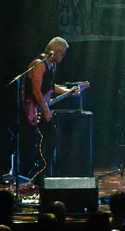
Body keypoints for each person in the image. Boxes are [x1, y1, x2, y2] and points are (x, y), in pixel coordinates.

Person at [21, 37, 78, 181]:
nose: (63, 57)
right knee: (44, 138)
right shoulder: (39, 64)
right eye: (62, 53)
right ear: (53, 51)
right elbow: (36, 91)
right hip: (31, 108)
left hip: (40, 107)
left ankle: (42, 173)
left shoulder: (52, 65)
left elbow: (51, 88)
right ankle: (37, 173)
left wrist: (68, 91)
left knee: (51, 137)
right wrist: (45, 109)